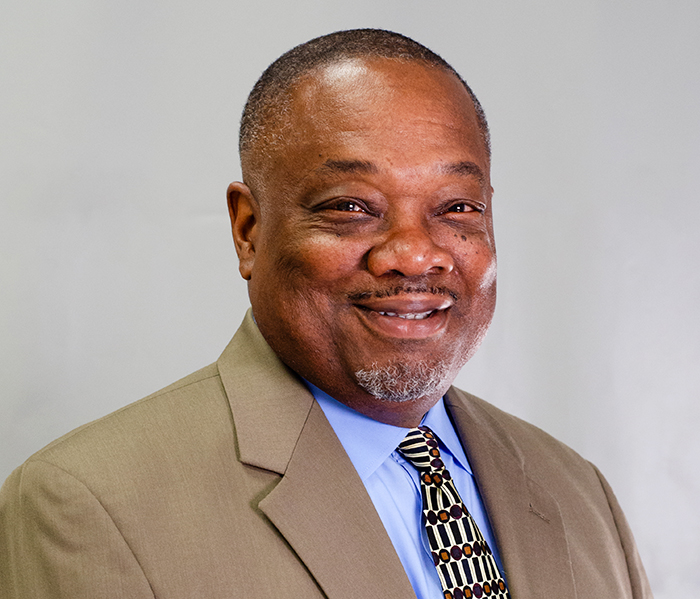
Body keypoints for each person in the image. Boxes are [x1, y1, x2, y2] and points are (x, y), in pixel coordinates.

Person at [0, 29, 652, 599]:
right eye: (350, 207)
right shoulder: (90, 504)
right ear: (249, 230)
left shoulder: (579, 494)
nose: (414, 254)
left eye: (457, 207)